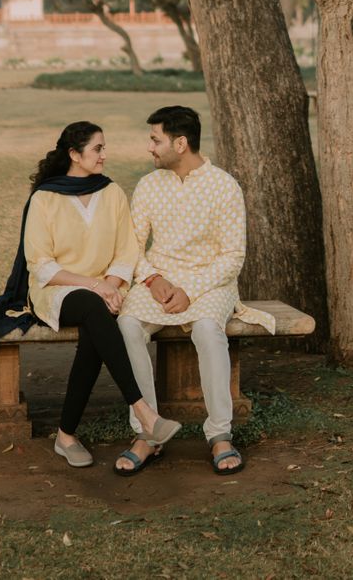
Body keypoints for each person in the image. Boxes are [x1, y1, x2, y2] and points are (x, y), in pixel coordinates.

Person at [0, 121, 180, 470]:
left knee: (96, 330)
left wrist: (110, 282)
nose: (105, 155)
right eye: (98, 149)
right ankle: (144, 412)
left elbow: (126, 250)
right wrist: (97, 285)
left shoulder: (111, 193)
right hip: (57, 290)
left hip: (105, 288)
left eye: (104, 147)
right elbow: (41, 264)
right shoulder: (45, 198)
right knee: (96, 310)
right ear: (74, 154)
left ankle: (66, 435)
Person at [116, 106, 274, 477]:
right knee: (126, 326)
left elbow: (233, 257)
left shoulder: (224, 186)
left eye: (156, 140)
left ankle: (220, 434)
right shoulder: (148, 185)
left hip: (210, 281)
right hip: (157, 280)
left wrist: (190, 289)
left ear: (181, 143)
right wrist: (154, 281)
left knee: (206, 329)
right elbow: (131, 247)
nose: (150, 148)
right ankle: (148, 432)